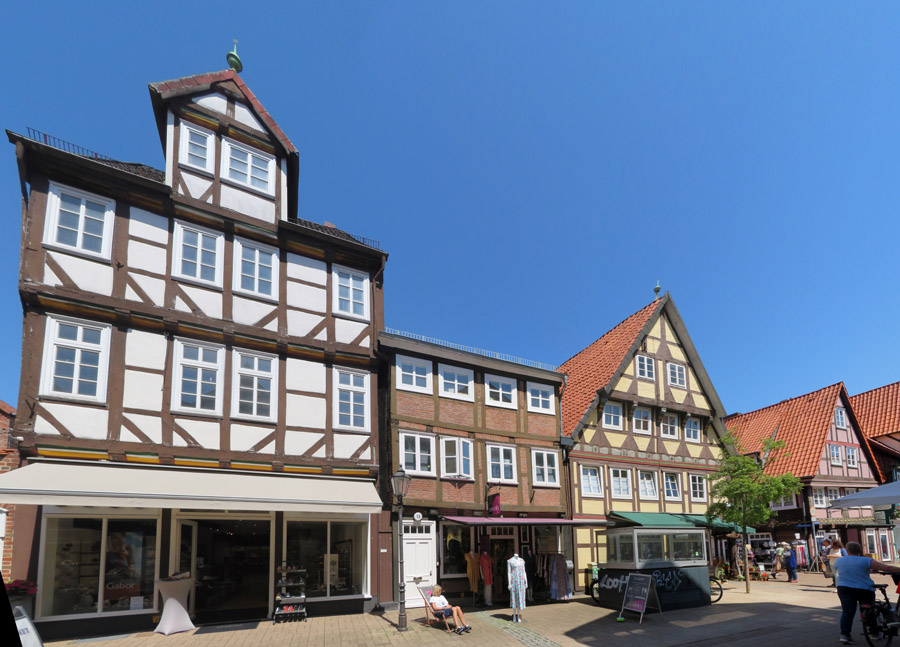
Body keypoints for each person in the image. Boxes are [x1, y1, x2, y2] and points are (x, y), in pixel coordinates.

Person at [833, 541, 900, 644]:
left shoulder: (839, 560)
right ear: (859, 550)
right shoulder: (865, 560)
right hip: (863, 589)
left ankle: (844, 635)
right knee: (868, 609)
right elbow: (887, 568)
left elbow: (848, 568)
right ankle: (874, 632)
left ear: (847, 550)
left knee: (847, 612)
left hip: (844, 588)